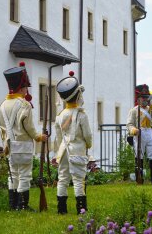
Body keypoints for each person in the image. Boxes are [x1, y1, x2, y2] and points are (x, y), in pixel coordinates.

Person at [0, 61, 48, 211]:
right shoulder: (24, 105)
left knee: (13, 175)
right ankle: (23, 205)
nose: (27, 90)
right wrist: (40, 137)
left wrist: (6, 144)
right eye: (26, 87)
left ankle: (13, 205)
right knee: (24, 175)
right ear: (22, 87)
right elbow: (30, 128)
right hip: (24, 146)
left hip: (10, 147)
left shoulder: (2, 105)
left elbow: (2, 129)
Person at [54, 71, 92, 214]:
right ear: (77, 96)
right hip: (78, 149)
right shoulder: (82, 114)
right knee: (78, 180)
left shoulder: (60, 115)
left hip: (64, 150)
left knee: (62, 178)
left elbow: (58, 137)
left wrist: (60, 150)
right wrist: (88, 145)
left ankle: (61, 209)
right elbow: (87, 135)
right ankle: (81, 210)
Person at [127, 84, 152, 185]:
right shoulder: (134, 110)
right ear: (138, 99)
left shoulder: (150, 108)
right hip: (139, 133)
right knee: (139, 156)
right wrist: (134, 130)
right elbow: (129, 124)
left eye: (146, 98)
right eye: (143, 98)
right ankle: (140, 179)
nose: (145, 100)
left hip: (149, 132)